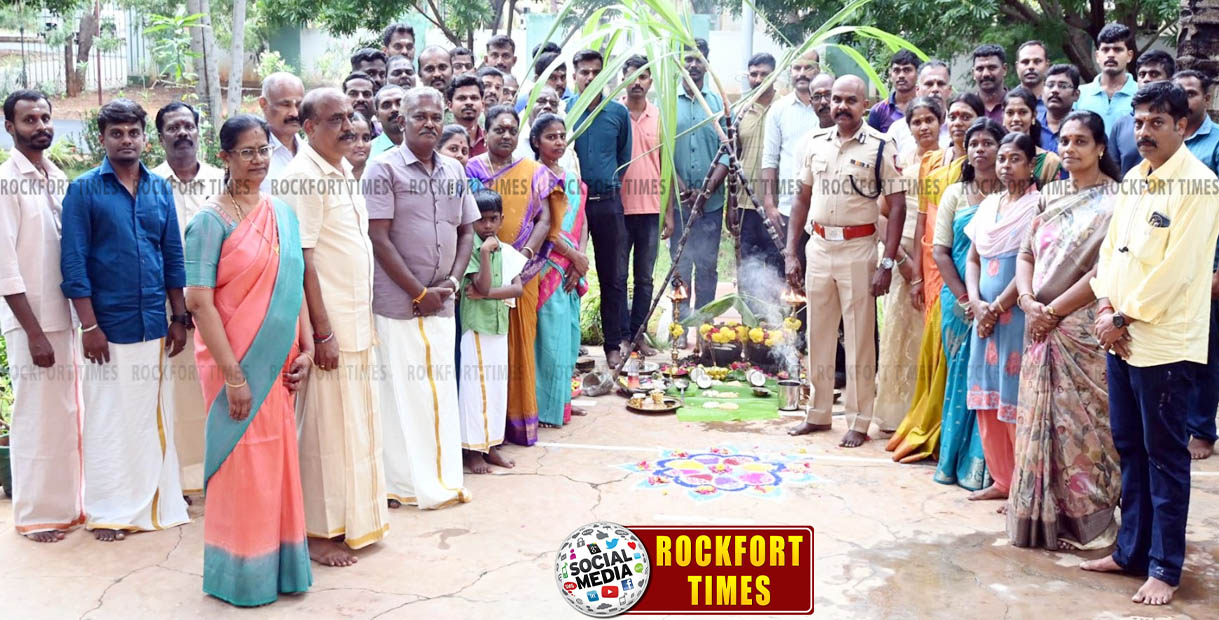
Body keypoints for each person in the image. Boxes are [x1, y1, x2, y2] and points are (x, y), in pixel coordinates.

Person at [1081, 82, 1219, 606]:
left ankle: (1164, 566)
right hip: (1120, 337)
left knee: (1164, 457)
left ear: (1182, 126)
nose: (1144, 132)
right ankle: (1130, 552)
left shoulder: (1200, 185)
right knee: (1129, 447)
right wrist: (1103, 306)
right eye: (1138, 122)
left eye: (1156, 123)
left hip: (1163, 343)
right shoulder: (1135, 178)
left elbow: (1178, 271)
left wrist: (1122, 316)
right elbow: (1111, 253)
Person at [184, 114, 314, 606]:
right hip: (234, 367)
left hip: (279, 363)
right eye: (246, 152)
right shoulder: (209, 221)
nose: (258, 160)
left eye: (263, 150)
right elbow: (199, 303)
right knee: (243, 467)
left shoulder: (282, 214)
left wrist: (306, 347)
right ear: (225, 157)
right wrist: (235, 376)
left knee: (276, 463)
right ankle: (240, 575)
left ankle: (279, 568)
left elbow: (294, 283)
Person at [60, 98, 191, 541]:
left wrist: (179, 316)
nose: (126, 140)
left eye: (133, 132)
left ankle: (156, 502)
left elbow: (172, 256)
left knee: (150, 417)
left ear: (144, 137)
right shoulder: (84, 190)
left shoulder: (159, 189)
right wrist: (89, 326)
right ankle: (108, 510)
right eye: (116, 133)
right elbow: (74, 263)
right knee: (108, 420)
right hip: (108, 328)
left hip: (154, 323)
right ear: (102, 138)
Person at [276, 88, 388, 567]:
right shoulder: (302, 177)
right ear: (308, 128)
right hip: (330, 331)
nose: (347, 126)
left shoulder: (341, 170)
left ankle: (352, 522)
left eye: (349, 116)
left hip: (356, 324)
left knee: (353, 431)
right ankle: (316, 533)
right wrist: (320, 333)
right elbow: (301, 259)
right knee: (323, 434)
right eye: (334, 119)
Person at [1008, 110, 1120, 550]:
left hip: (1082, 330)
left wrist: (1051, 311)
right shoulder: (1049, 195)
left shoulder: (1117, 201)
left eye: (1080, 141)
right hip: (1039, 325)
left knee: (1084, 426)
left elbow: (1103, 270)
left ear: (1100, 148)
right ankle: (1040, 517)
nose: (1070, 148)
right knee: (1040, 419)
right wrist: (1027, 301)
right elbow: (1025, 253)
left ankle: (1088, 521)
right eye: (1065, 141)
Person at [364, 86, 478, 504]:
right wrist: (418, 292)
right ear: (402, 121)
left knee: (439, 393)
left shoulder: (454, 170)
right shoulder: (382, 169)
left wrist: (452, 283)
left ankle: (442, 479)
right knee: (402, 398)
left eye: (435, 117)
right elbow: (378, 238)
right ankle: (404, 485)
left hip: (442, 302)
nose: (429, 124)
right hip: (398, 305)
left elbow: (467, 231)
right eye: (419, 117)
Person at [784, 75, 906, 448]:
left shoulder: (881, 146)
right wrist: (791, 252)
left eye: (850, 100)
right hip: (819, 246)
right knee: (818, 334)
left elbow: (897, 205)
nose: (841, 106)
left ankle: (859, 419)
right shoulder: (816, 143)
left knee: (858, 340)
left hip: (859, 250)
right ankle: (818, 413)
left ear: (864, 105)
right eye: (836, 99)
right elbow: (801, 199)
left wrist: (887, 263)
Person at [0, 89, 83, 542]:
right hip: (32, 324)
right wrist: (34, 333)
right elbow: (5, 267)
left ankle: (67, 507)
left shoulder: (56, 176)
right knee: (36, 418)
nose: (40, 126)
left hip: (64, 318)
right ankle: (36, 515)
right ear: (9, 126)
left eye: (45, 118)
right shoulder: (5, 182)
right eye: (29, 120)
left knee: (66, 416)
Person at [887, 93, 984, 463]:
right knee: (937, 346)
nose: (958, 123)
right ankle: (932, 424)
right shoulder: (931, 164)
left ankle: (958, 437)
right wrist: (916, 274)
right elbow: (922, 221)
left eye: (966, 116)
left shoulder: (989, 165)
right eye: (954, 116)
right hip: (934, 267)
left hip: (974, 266)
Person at [466, 105, 555, 446]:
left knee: (518, 345)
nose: (506, 135)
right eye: (499, 129)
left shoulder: (534, 170)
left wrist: (523, 256)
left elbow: (545, 220)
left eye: (512, 130)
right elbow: (465, 218)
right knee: (483, 351)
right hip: (480, 267)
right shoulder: (472, 169)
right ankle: (484, 432)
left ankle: (516, 424)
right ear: (485, 131)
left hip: (522, 270)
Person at [963, 132, 1041, 504]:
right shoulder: (989, 205)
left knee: (1014, 397)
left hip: (1015, 318)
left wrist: (996, 307)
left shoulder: (1038, 206)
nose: (1006, 166)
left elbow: (1031, 263)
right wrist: (976, 302)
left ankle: (1022, 486)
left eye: (1015, 159)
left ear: (1031, 165)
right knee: (987, 395)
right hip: (983, 318)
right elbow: (973, 258)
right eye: (1002, 159)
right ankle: (1001, 479)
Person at [153, 101, 225, 496]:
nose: (182, 133)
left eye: (188, 126)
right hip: (170, 313)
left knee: (213, 392)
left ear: (199, 131)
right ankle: (179, 482)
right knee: (177, 397)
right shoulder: (150, 183)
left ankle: (215, 475)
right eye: (173, 128)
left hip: (218, 309)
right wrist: (178, 312)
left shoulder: (220, 181)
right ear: (160, 136)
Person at [931, 118, 1006, 490]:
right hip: (960, 303)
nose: (979, 149)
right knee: (962, 378)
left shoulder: (1015, 195)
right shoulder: (955, 194)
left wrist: (990, 303)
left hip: (1003, 303)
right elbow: (940, 251)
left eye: (988, 143)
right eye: (973, 143)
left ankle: (989, 468)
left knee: (996, 378)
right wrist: (966, 299)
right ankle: (952, 463)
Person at [875, 96, 940, 434]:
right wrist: (899, 259)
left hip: (937, 258)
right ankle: (895, 413)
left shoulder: (950, 162)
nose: (924, 127)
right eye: (917, 121)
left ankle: (928, 413)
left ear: (940, 122)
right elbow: (881, 215)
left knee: (930, 335)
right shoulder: (898, 163)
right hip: (901, 255)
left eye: (930, 120)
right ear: (908, 126)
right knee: (899, 332)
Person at [566, 48, 632, 367]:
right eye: (584, 72)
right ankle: (570, 343)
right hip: (571, 207)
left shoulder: (618, 113)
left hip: (607, 203)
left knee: (613, 277)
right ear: (575, 75)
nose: (590, 77)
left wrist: (607, 182)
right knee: (568, 272)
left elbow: (624, 159)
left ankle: (612, 345)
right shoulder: (565, 112)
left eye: (596, 72)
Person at [668, 39, 729, 351]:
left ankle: (705, 330)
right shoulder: (668, 103)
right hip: (679, 206)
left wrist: (706, 192)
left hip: (711, 204)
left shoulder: (718, 104)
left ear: (706, 62)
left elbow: (728, 151)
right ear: (679, 63)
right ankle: (679, 328)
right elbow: (663, 151)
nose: (693, 65)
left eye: (698, 59)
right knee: (680, 266)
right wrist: (682, 190)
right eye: (687, 59)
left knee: (706, 267)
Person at [531, 114, 591, 429]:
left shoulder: (572, 180)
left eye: (561, 136)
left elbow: (582, 221)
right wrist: (572, 256)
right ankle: (545, 408)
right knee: (549, 341)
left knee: (569, 338)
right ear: (536, 142)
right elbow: (541, 229)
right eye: (550, 137)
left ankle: (563, 401)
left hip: (571, 269)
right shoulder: (533, 177)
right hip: (548, 266)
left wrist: (580, 259)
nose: (558, 142)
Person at [459, 189, 525, 466]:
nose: (487, 225)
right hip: (476, 326)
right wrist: (485, 254)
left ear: (501, 219)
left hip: (499, 326)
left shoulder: (506, 251)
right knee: (475, 389)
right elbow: (483, 284)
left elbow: (517, 289)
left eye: (493, 219)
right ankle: (473, 450)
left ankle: (492, 445)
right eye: (481, 219)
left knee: (497, 388)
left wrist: (486, 294)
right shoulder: (470, 249)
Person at [1175, 69, 1219, 460]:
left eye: (1191, 93)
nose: (1185, 99)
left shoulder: (1215, 143)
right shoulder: (1165, 141)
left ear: (1206, 98)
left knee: (1205, 352)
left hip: (1208, 264)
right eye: (1179, 92)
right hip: (1170, 264)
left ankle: (1202, 430)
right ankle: (1179, 424)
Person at [732, 53, 782, 319]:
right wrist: (731, 208)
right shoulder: (739, 111)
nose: (759, 79)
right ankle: (749, 327)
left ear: (775, 75)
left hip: (779, 206)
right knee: (748, 269)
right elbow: (732, 160)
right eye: (754, 74)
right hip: (745, 205)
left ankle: (777, 328)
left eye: (764, 74)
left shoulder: (784, 108)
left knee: (777, 267)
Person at [620, 56, 662, 353]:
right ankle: (621, 336)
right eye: (631, 75)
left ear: (651, 81)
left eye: (643, 76)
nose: (637, 82)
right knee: (618, 276)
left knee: (644, 278)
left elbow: (666, 165)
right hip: (619, 209)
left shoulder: (659, 116)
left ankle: (638, 335)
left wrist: (668, 212)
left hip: (651, 210)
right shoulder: (613, 113)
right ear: (621, 78)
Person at [760, 48, 823, 234]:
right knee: (790, 253)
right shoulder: (778, 110)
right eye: (797, 68)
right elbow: (769, 158)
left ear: (818, 70)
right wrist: (769, 204)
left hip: (825, 208)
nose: (801, 73)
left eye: (808, 67)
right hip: (788, 207)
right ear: (790, 71)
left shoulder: (829, 109)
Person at [1108, 51, 1176, 175]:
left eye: (1154, 74)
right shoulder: (1121, 124)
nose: (1146, 79)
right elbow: (1112, 173)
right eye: (1142, 75)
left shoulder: (1177, 121)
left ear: (1170, 80)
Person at [1077, 23, 1137, 131]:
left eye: (1117, 49)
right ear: (1097, 56)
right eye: (1105, 49)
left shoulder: (1142, 94)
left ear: (1129, 56)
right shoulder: (1079, 95)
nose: (1111, 55)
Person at [888, 60, 954, 154]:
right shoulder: (898, 130)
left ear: (949, 90)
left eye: (940, 84)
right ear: (917, 90)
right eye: (929, 84)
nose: (935, 89)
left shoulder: (957, 128)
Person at [1002, 87, 1063, 184]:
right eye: (1010, 113)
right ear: (1003, 117)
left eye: (1023, 112)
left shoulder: (1049, 161)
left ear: (1034, 116)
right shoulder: (995, 158)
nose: (1016, 118)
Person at [258, 72, 305, 193]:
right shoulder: (251, 156)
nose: (294, 113)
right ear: (264, 104)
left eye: (298, 105)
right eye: (286, 105)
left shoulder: (311, 151)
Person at [867, 49, 920, 133]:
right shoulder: (879, 111)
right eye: (896, 70)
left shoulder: (927, 107)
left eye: (907, 70)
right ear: (890, 74)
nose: (901, 75)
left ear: (918, 73)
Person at [1039, 64, 1081, 149]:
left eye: (1063, 86)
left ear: (1076, 95)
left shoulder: (1085, 128)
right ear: (1042, 92)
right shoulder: (1032, 127)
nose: (1055, 90)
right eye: (1050, 85)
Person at [449, 74, 487, 157]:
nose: (469, 102)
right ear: (450, 106)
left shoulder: (490, 140)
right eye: (462, 98)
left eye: (474, 98)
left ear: (483, 105)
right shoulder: (440, 141)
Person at [972, 44, 1009, 123]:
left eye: (992, 68)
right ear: (973, 73)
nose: (986, 74)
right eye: (980, 69)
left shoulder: (1017, 105)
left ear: (1004, 69)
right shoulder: (967, 108)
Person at [369, 85, 405, 158]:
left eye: (400, 103)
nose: (394, 109)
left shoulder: (424, 145)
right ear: (377, 115)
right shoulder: (368, 152)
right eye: (386, 105)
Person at [1015, 41, 1049, 108]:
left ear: (1047, 65)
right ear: (1017, 66)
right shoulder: (1005, 102)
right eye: (1025, 62)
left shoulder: (1060, 103)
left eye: (1037, 61)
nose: (1031, 66)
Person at [346, 112, 373, 180]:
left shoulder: (381, 172)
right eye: (352, 138)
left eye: (365, 138)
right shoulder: (327, 176)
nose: (360, 145)